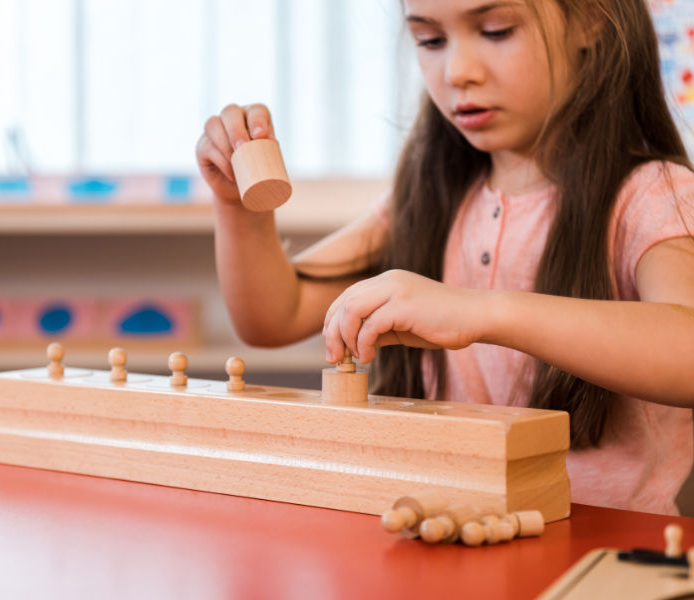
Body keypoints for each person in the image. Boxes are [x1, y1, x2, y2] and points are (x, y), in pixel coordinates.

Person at [195, 0, 694, 515]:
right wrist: (239, 209)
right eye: (430, 41)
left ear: (591, 18)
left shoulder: (653, 197)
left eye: (497, 31)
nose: (458, 72)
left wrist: (479, 310)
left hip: (599, 559)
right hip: (443, 541)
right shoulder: (429, 199)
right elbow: (274, 315)